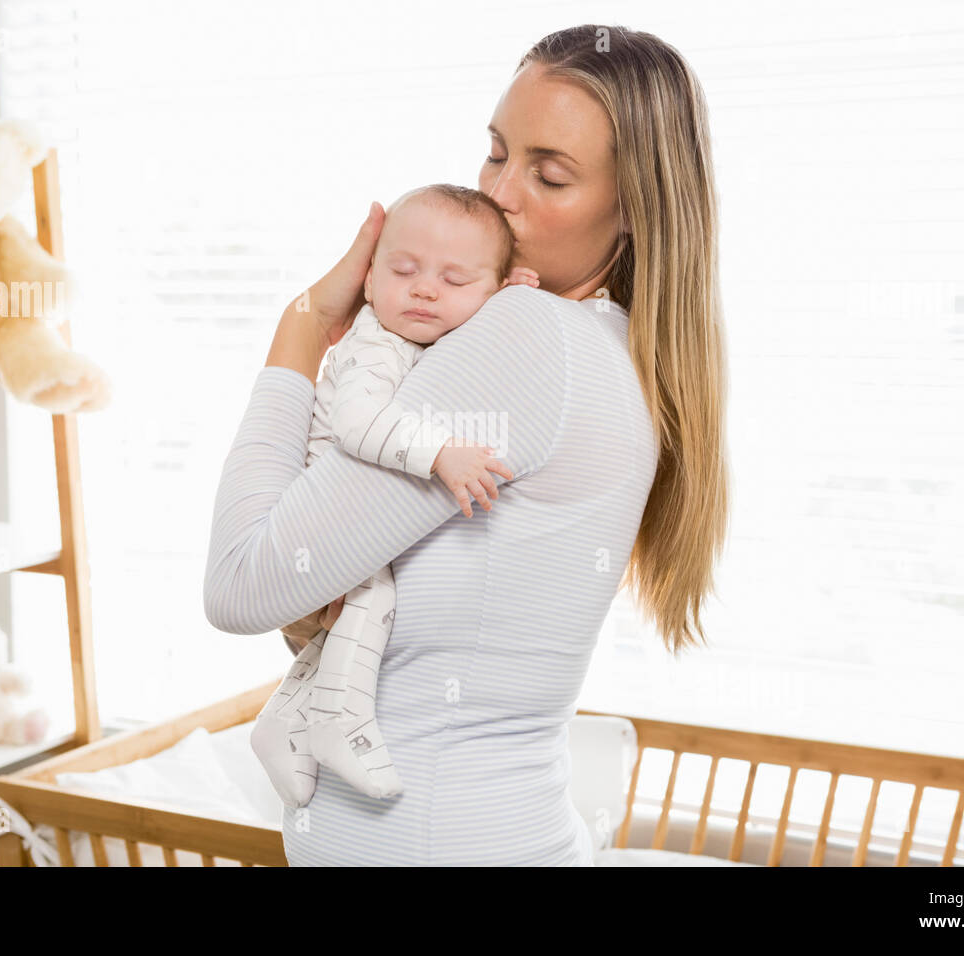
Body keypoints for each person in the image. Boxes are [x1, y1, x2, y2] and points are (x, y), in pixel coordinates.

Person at [204, 23, 730, 866]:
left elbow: (240, 584)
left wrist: (302, 325)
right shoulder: (614, 348)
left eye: (549, 173)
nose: (502, 195)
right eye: (495, 153)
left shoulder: (528, 335)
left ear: (636, 207)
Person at [249, 183, 540, 809]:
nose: (425, 289)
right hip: (321, 503)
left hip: (337, 505)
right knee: (375, 596)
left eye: (457, 280)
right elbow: (356, 424)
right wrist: (440, 454)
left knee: (357, 608)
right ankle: (339, 719)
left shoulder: (428, 337)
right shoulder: (378, 343)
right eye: (402, 270)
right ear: (368, 278)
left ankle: (282, 718)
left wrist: (505, 307)